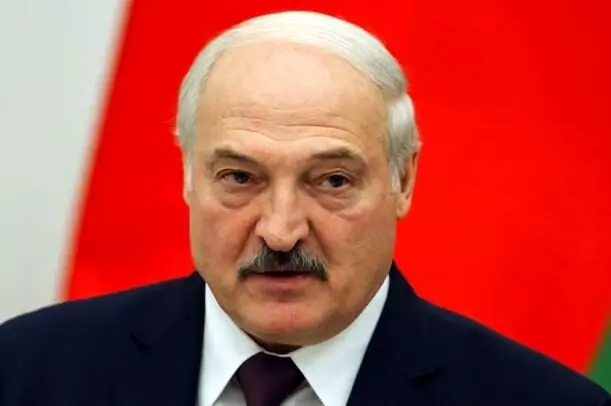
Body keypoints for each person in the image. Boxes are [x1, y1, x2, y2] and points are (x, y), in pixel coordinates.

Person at [0, 10, 608, 406]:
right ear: (188, 175)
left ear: (403, 180)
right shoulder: (28, 371)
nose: (282, 231)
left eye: (332, 181)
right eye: (240, 178)